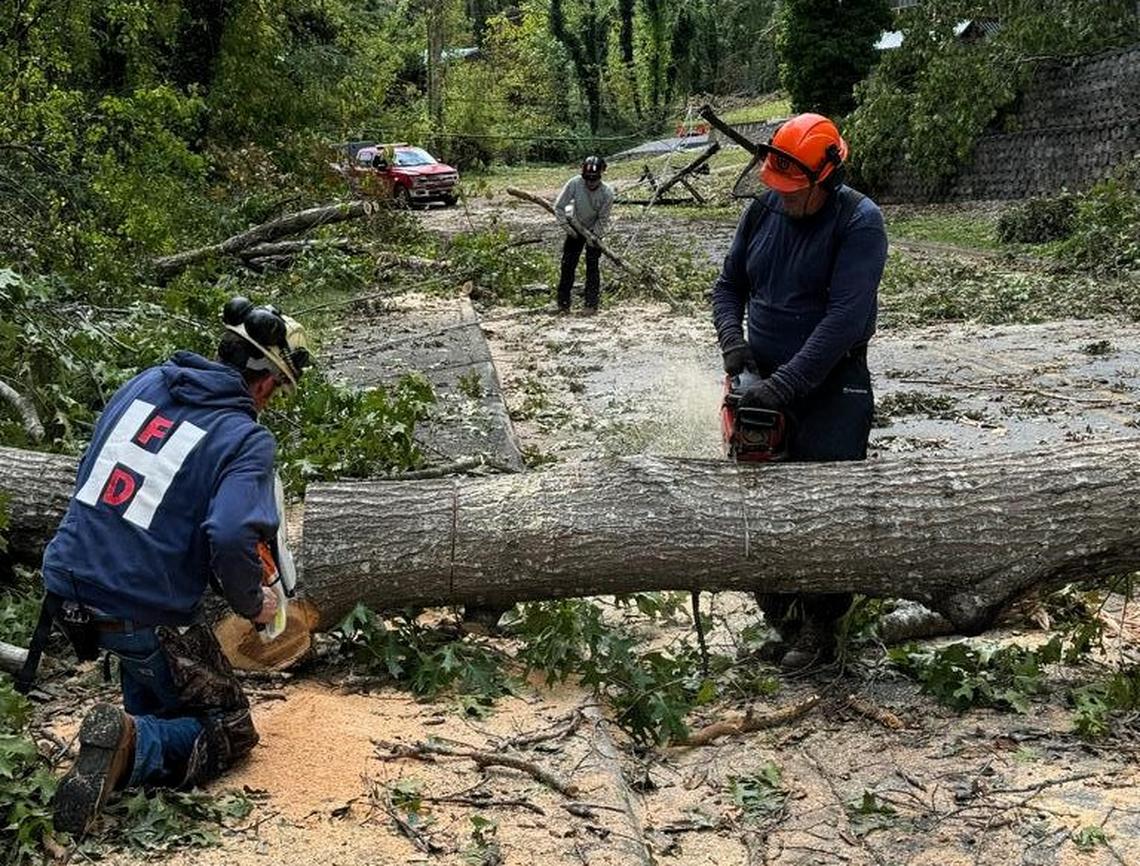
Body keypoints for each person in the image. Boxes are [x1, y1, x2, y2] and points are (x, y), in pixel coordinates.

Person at [29, 297, 310, 835]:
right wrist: (256, 602)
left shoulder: (149, 382)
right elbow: (229, 534)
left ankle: (129, 724)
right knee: (228, 728)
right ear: (268, 383)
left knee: (163, 686)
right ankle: (134, 745)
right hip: (136, 608)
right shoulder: (246, 437)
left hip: (67, 585)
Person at [711, 113, 888, 670]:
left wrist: (787, 386)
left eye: (795, 191)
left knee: (826, 505)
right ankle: (780, 616)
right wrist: (734, 348)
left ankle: (820, 630)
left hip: (832, 381)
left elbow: (843, 318)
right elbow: (728, 285)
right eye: (778, 187)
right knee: (758, 502)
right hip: (763, 375)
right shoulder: (765, 208)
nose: (784, 200)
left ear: (825, 180)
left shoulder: (859, 222)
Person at [553, 155, 614, 314]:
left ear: (602, 173)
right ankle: (563, 304)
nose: (590, 182)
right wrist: (567, 227)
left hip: (594, 231)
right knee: (567, 265)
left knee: (592, 267)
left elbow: (603, 218)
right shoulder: (574, 184)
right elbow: (559, 207)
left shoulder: (607, 193)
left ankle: (591, 304)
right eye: (588, 178)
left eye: (594, 179)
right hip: (575, 228)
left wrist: (594, 236)